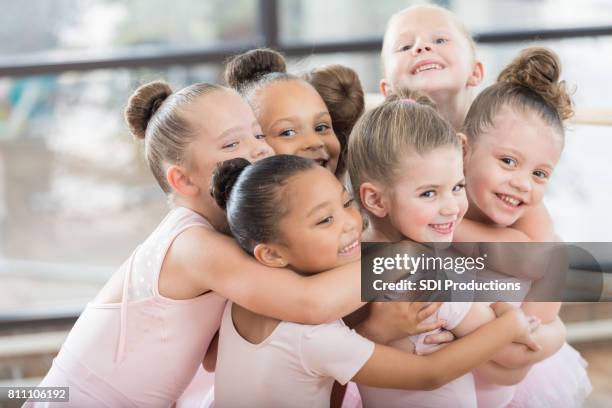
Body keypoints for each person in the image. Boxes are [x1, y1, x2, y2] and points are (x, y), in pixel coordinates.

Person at [211, 154, 535, 407]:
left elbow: (314, 380)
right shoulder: (312, 335)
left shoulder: (245, 300)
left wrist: (373, 332)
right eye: (325, 220)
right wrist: (511, 322)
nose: (351, 224)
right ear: (271, 254)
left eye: (346, 203)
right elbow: (429, 375)